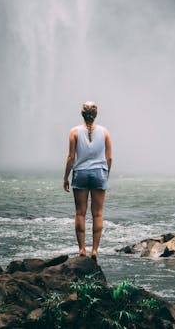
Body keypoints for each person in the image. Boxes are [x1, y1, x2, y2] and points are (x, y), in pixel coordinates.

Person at [63, 101, 112, 259]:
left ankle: (82, 249)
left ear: (82, 113)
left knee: (80, 213)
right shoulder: (104, 132)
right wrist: (106, 174)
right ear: (96, 114)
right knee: (97, 214)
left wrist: (65, 177)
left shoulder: (74, 132)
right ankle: (95, 251)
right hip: (99, 173)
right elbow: (109, 157)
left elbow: (71, 157)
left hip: (81, 174)